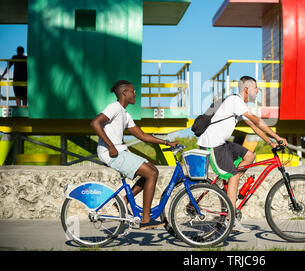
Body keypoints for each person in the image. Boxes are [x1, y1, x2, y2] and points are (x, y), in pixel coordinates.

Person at [197, 75, 288, 233]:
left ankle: (231, 189)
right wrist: (277, 136)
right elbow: (258, 120)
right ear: (246, 89)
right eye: (255, 88)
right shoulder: (235, 101)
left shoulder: (238, 104)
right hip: (213, 144)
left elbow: (254, 126)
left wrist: (270, 142)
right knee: (234, 176)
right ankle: (230, 219)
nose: (258, 91)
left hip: (222, 143)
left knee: (250, 156)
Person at [91, 80, 178, 230]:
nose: (135, 94)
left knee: (151, 170)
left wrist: (165, 142)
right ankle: (145, 220)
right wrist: (111, 146)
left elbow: (142, 135)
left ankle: (123, 202)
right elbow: (95, 123)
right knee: (151, 173)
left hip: (119, 151)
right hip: (110, 152)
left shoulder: (124, 114)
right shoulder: (114, 107)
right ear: (124, 92)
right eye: (133, 91)